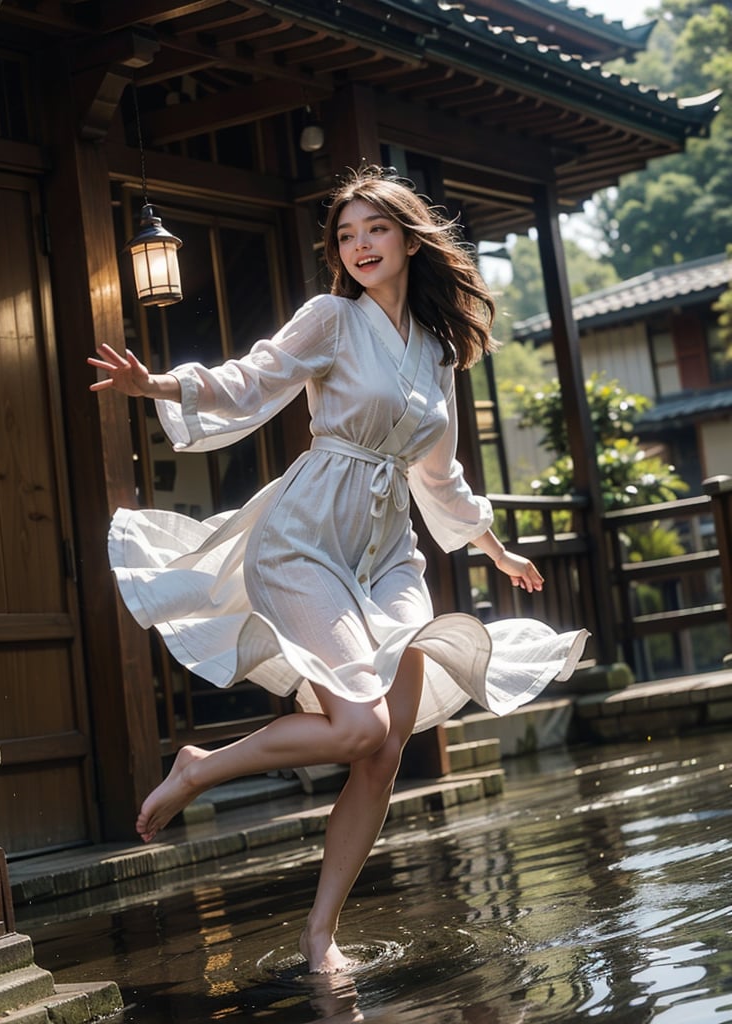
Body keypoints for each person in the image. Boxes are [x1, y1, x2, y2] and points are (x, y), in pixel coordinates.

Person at [88, 165, 588, 975]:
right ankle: (200, 768)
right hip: (307, 536)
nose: (358, 245)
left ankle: (320, 935)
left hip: (389, 553)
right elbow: (252, 377)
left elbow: (439, 473)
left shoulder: (435, 351)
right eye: (346, 234)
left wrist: (493, 546)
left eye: (375, 230)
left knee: (382, 754)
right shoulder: (330, 318)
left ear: (408, 239)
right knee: (360, 725)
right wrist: (160, 383)